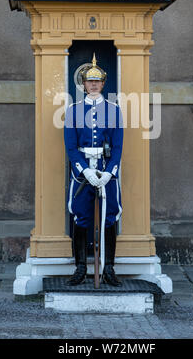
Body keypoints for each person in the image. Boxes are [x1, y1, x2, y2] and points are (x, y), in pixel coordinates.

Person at [64, 53, 123, 286]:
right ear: (84, 84)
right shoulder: (73, 110)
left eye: (98, 81)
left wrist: (110, 172)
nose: (94, 85)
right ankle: (80, 268)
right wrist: (84, 170)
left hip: (107, 172)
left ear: (103, 83)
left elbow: (118, 145)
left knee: (109, 218)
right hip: (82, 173)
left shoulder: (114, 109)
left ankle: (108, 268)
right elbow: (70, 146)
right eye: (90, 81)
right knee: (80, 216)